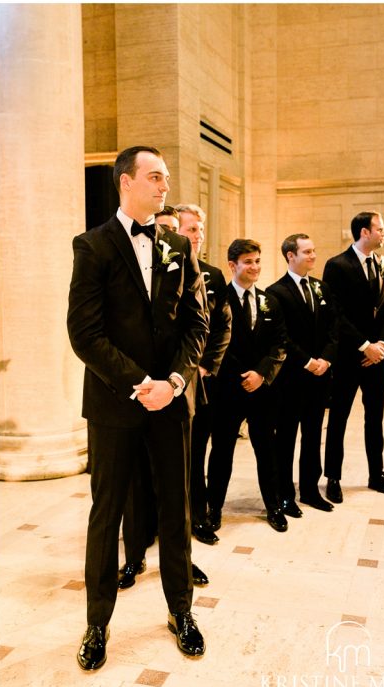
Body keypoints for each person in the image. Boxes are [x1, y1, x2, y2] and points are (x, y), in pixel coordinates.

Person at [67, 146, 209, 671]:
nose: (164, 185)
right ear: (125, 182)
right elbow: (84, 333)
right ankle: (97, 622)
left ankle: (181, 612)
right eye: (155, 177)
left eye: (167, 178)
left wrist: (173, 380)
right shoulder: (93, 245)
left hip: (171, 403)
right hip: (114, 404)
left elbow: (197, 323)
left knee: (178, 511)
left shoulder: (177, 245)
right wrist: (139, 381)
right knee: (107, 516)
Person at [117, 206, 216, 589]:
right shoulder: (130, 263)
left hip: (180, 386)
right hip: (135, 391)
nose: (176, 237)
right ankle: (135, 556)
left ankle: (182, 563)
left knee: (181, 486)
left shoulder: (204, 271)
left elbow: (209, 322)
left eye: (180, 230)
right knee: (135, 485)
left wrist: (189, 372)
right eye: (169, 229)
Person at [206, 239, 288, 532]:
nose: (255, 267)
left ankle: (274, 506)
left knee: (267, 450)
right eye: (248, 262)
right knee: (222, 451)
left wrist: (261, 374)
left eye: (257, 261)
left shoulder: (270, 301)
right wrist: (241, 375)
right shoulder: (219, 300)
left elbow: (280, 344)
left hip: (262, 391)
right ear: (232, 266)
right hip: (227, 390)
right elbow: (215, 344)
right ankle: (213, 508)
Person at [322, 211, 384, 502]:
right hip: (348, 355)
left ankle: (376, 474)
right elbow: (335, 314)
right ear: (364, 233)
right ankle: (332, 475)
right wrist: (363, 345)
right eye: (380, 229)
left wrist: (380, 344)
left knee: (375, 418)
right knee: (340, 417)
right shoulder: (337, 265)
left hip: (377, 357)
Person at [172, 203, 231, 546]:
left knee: (197, 452)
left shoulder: (213, 274)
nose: (198, 236)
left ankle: (198, 516)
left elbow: (223, 326)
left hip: (202, 381)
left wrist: (206, 365)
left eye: (201, 230)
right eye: (192, 229)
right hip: (170, 380)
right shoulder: (160, 269)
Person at [267, 234, 338, 513]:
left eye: (314, 251)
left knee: (312, 435)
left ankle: (310, 489)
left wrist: (327, 360)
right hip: (291, 379)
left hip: (320, 376)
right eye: (307, 252)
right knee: (286, 437)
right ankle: (285, 493)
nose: (313, 256)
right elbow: (281, 337)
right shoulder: (276, 292)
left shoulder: (321, 288)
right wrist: (308, 361)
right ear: (290, 256)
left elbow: (333, 328)